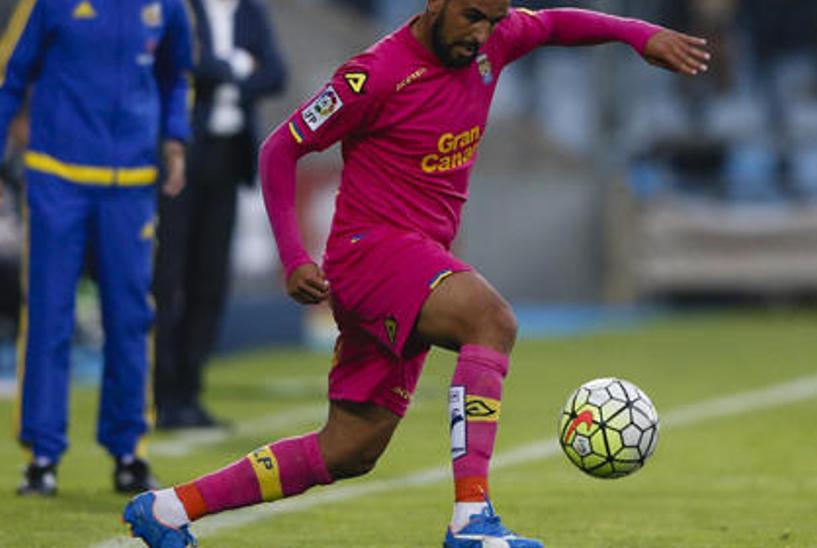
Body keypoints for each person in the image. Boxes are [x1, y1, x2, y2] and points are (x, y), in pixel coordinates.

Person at [121, 1, 709, 546]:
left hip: (411, 264)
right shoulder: (373, 75)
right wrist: (294, 256)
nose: (482, 33)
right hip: (370, 252)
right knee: (491, 321)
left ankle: (169, 508)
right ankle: (473, 517)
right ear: (435, 3)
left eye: (494, 19)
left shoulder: (494, 43)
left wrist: (641, 35)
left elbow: (554, 24)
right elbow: (281, 148)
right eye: (472, 16)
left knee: (349, 449)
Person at [0, 0, 193, 496]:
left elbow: (178, 76)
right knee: (48, 316)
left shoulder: (168, 5)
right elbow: (10, 74)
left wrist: (175, 140)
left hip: (131, 185)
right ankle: (41, 456)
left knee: (130, 316)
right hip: (56, 180)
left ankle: (129, 451)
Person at [153, 0, 286, 430]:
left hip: (229, 158)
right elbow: (181, 64)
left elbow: (276, 73)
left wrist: (225, 72)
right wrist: (236, 67)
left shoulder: (250, 11)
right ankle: (160, 393)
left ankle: (190, 390)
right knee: (167, 275)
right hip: (182, 157)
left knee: (210, 280)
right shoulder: (183, 9)